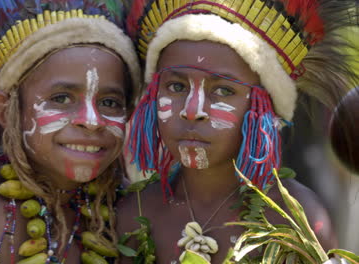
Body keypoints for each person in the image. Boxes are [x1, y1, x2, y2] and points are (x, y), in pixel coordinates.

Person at [118, 0, 358, 263]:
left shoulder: (297, 221)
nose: (191, 110)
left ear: (263, 108)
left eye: (223, 90)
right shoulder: (132, 212)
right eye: (176, 87)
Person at [0, 0, 141, 263]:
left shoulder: (125, 205)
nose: (91, 121)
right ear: (5, 110)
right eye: (62, 98)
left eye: (109, 103)